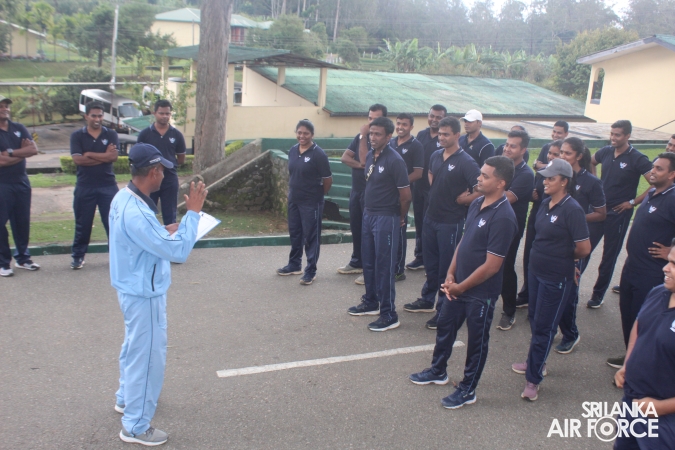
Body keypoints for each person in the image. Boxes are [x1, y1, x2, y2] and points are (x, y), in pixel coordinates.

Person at [110, 143, 207, 446]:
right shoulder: (137, 211)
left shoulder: (123, 197)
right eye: (162, 170)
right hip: (144, 294)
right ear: (153, 172)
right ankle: (136, 426)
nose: (164, 175)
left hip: (131, 288)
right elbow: (177, 252)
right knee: (148, 358)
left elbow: (141, 239)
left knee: (133, 347)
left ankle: (126, 397)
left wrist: (164, 229)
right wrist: (193, 215)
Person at [409, 156, 517, 409]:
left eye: (485, 176)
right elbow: (465, 242)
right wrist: (451, 273)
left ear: (500, 183)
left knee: (476, 342)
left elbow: (492, 266)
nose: (478, 178)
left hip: (480, 293)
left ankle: (468, 389)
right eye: (480, 173)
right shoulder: (477, 202)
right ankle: (438, 371)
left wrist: (462, 286)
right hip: (458, 284)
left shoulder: (504, 217)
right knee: (445, 327)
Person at [512, 159, 591, 401]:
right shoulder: (546, 203)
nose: (545, 182)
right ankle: (536, 362)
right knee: (535, 320)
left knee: (544, 328)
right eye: (545, 177)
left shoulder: (572, 209)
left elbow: (584, 248)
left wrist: (564, 258)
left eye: (551, 178)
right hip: (536, 272)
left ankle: (533, 378)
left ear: (564, 182)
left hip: (555, 277)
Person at [403, 117, 481, 331]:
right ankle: (427, 299)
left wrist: (465, 200)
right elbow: (430, 172)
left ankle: (444, 310)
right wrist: (437, 188)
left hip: (450, 221)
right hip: (431, 218)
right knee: (431, 264)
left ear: (457, 135)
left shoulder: (466, 161)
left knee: (447, 268)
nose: (442, 137)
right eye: (440, 133)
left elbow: (481, 188)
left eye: (446, 134)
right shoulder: (436, 155)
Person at [607, 153, 675, 369]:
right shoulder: (652, 192)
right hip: (632, 266)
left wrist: (671, 251)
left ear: (672, 174)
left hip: (651, 271)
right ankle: (631, 356)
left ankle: (638, 367)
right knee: (628, 314)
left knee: (643, 318)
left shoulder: (673, 199)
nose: (653, 171)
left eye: (659, 169)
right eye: (653, 167)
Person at [347, 117, 411, 332]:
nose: (373, 138)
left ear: (388, 136)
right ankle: (371, 301)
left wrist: (399, 217)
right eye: (371, 134)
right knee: (369, 262)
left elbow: (406, 196)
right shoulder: (370, 155)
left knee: (384, 267)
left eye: (377, 134)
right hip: (369, 215)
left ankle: (389, 314)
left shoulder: (395, 160)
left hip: (386, 217)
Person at [613, 244, 675, 450]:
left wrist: (661, 407)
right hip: (633, 402)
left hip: (664, 421)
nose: (665, 268)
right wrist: (628, 364)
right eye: (668, 261)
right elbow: (639, 326)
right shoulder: (658, 292)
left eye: (674, 264)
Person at [587, 120, 653, 308]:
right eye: (612, 134)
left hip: (618, 214)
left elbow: (655, 183)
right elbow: (591, 161)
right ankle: (572, 285)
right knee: (585, 248)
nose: (613, 138)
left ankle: (598, 294)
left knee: (608, 256)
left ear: (627, 136)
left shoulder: (637, 158)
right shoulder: (606, 151)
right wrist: (596, 183)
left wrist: (632, 202)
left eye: (617, 135)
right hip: (600, 210)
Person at [555, 137, 606, 354]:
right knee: (554, 287)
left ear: (579, 156)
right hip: (557, 240)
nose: (562, 156)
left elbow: (601, 214)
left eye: (567, 153)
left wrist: (575, 218)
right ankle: (552, 325)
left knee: (569, 289)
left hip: (577, 243)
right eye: (561, 152)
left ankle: (570, 333)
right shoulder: (559, 177)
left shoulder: (591, 182)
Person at [276, 120, 332, 285]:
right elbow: (294, 174)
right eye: (299, 133)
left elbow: (328, 179)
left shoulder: (318, 154)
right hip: (294, 200)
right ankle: (294, 265)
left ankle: (310, 271)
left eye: (306, 133)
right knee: (295, 234)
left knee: (311, 237)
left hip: (311, 202)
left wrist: (317, 195)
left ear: (312, 135)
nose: (302, 136)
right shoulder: (293, 150)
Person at [337, 104, 387, 285]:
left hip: (371, 194)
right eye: (369, 118)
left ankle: (369, 270)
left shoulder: (377, 139)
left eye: (375, 118)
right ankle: (357, 261)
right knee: (356, 227)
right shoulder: (360, 137)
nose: (371, 122)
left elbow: (366, 160)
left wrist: (364, 136)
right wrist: (359, 164)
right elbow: (345, 158)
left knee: (369, 233)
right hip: (356, 190)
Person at [69, 101, 120, 270]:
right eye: (93, 116)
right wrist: (103, 156)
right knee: (83, 224)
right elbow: (78, 160)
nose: (97, 119)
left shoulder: (111, 134)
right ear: (86, 116)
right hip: (85, 186)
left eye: (100, 116)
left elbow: (113, 157)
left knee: (113, 224)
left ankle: (116, 257)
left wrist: (89, 154)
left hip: (108, 186)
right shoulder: (77, 136)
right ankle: (78, 257)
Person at [515, 141, 562, 307]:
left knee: (545, 259)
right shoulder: (543, 173)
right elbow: (534, 192)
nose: (551, 157)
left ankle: (540, 300)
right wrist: (531, 195)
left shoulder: (565, 178)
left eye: (556, 154)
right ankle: (528, 292)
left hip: (553, 221)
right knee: (529, 255)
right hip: (536, 216)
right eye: (550, 153)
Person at [496, 130, 534, 331]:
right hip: (493, 223)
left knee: (505, 267)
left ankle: (509, 311)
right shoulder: (502, 167)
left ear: (523, 150)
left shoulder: (526, 174)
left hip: (511, 227)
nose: (507, 148)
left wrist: (487, 190)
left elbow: (506, 198)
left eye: (513, 146)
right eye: (506, 144)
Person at [0, 95, 39, 277]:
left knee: (22, 222)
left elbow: (33, 149)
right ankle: (3, 263)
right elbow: (0, 162)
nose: (5, 109)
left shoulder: (19, 128)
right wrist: (22, 153)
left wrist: (9, 153)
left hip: (22, 182)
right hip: (2, 184)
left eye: (6, 106)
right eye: (1, 106)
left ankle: (23, 258)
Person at [406, 105, 447, 271]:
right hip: (418, 187)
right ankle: (420, 256)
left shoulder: (445, 138)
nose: (434, 120)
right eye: (432, 116)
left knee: (433, 225)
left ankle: (433, 260)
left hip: (436, 189)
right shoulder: (421, 135)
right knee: (420, 222)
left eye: (438, 117)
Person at [136, 99, 187, 225]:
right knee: (148, 213)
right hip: (149, 178)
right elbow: (138, 156)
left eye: (167, 113)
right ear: (154, 113)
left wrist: (168, 165)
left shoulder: (177, 135)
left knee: (170, 215)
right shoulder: (145, 134)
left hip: (169, 179)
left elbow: (181, 159)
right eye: (161, 113)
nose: (165, 116)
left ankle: (169, 237)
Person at [390, 113, 423, 281]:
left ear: (411, 127)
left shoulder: (416, 146)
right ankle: (388, 267)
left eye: (404, 124)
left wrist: (399, 184)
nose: (400, 127)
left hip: (403, 193)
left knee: (400, 227)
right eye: (398, 123)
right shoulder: (390, 142)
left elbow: (418, 173)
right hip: (387, 194)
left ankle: (398, 270)